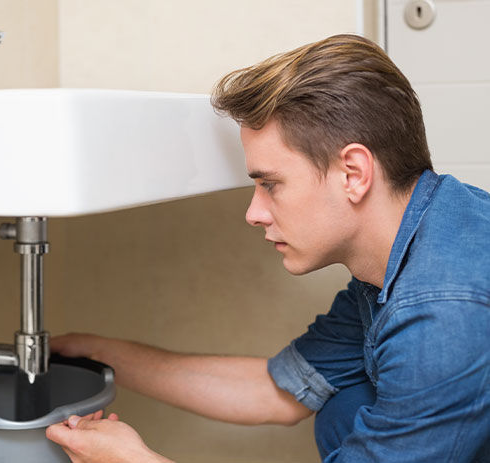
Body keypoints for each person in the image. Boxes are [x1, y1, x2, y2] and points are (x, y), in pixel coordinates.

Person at [45, 34, 490, 462]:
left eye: (270, 184)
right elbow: (277, 392)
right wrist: (95, 352)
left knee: (346, 411)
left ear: (353, 173)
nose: (253, 213)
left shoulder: (441, 314)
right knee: (346, 399)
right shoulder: (426, 231)